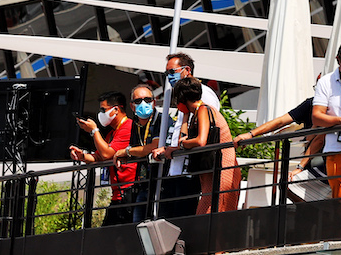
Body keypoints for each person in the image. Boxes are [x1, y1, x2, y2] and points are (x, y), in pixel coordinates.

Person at [236, 40, 341, 199]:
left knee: (292, 185)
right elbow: (281, 121)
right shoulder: (312, 103)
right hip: (322, 161)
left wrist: (300, 166)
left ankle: (321, 212)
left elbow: (319, 138)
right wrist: (251, 134)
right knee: (291, 186)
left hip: (329, 159)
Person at [151, 76, 238, 216]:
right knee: (208, 211)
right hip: (212, 170)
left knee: (211, 212)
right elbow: (185, 138)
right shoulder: (196, 113)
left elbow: (200, 141)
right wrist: (185, 117)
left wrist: (180, 144)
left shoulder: (203, 110)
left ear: (182, 99)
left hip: (222, 169)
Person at [158, 53, 222, 218]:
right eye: (167, 74)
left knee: (182, 216)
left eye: (172, 72)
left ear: (186, 70)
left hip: (191, 169)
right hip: (177, 168)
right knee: (167, 217)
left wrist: (179, 146)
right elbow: (183, 132)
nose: (169, 77)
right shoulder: (184, 99)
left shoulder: (203, 96)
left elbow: (204, 136)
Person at [69, 91, 136, 226]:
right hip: (118, 194)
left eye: (103, 109)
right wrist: (82, 156)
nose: (100, 114)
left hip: (129, 192)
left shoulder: (128, 126)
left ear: (115, 110)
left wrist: (94, 131)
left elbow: (106, 154)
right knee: (109, 237)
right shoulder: (112, 133)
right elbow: (99, 156)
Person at [111, 83, 160, 223]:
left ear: (154, 102)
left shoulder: (160, 119)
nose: (143, 103)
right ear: (132, 106)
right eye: (138, 101)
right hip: (143, 183)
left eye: (147, 100)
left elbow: (154, 147)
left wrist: (127, 151)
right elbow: (135, 148)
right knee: (138, 227)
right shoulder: (135, 124)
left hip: (161, 184)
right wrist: (125, 155)